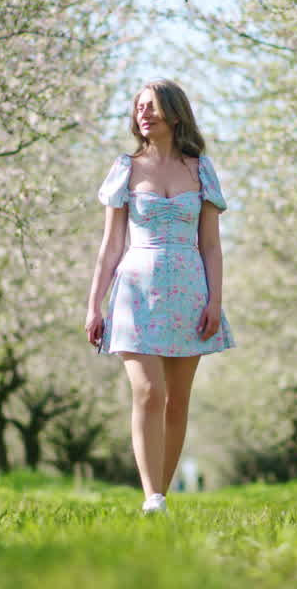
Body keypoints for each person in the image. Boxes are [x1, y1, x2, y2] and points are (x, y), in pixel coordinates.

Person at [85, 78, 235, 516]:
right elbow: (111, 245)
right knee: (148, 392)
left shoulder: (200, 169)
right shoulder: (125, 169)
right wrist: (94, 304)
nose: (142, 114)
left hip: (190, 290)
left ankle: (161, 496)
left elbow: (211, 244)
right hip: (135, 290)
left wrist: (215, 302)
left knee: (177, 400)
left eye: (150, 106)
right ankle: (152, 497)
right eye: (138, 108)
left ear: (174, 111)